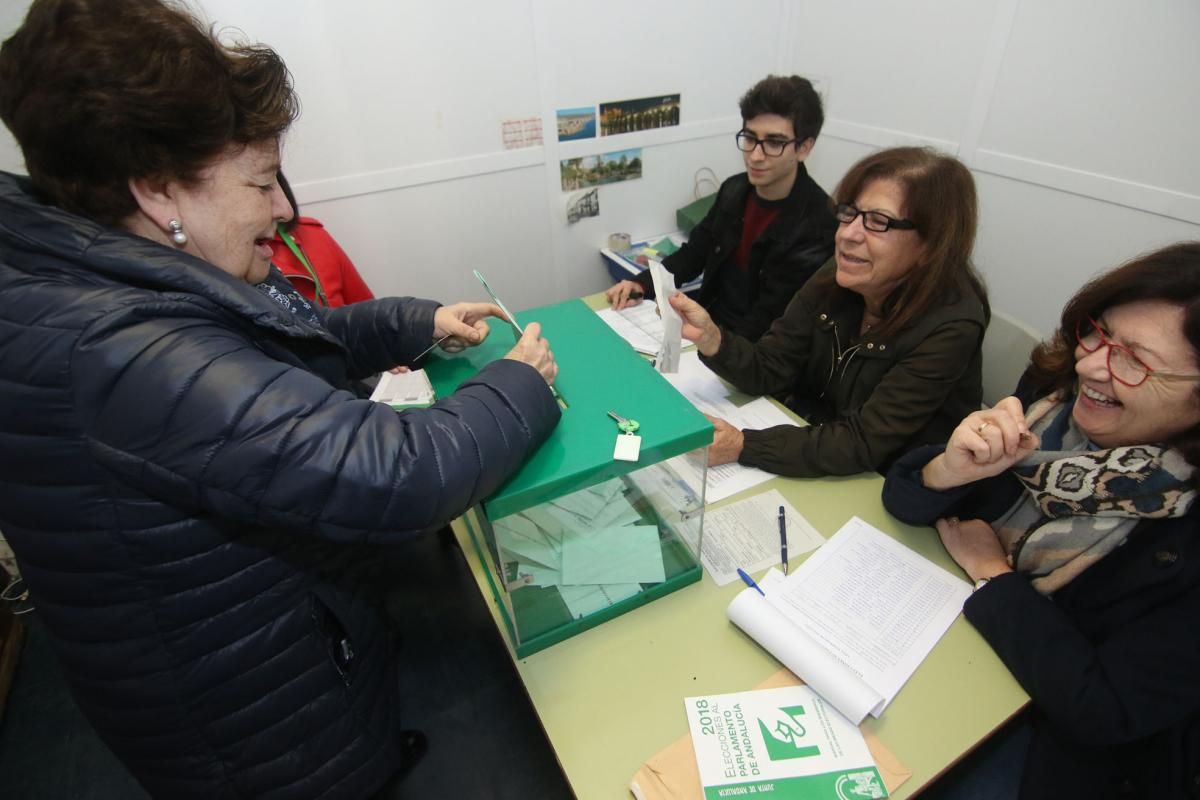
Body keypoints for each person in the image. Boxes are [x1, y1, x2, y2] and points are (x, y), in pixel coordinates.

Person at [0, 1, 560, 798]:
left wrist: (412, 322)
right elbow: (399, 474)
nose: (285, 210)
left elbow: (280, 342)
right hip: (259, 729)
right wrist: (522, 383)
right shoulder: (121, 351)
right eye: (261, 183)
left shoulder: (94, 267)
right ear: (160, 192)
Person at [881, 242, 1200, 800]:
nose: (1091, 365)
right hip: (941, 640)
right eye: (1099, 334)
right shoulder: (1051, 402)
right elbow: (906, 505)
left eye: (1135, 359)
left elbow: (1105, 709)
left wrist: (992, 573)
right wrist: (946, 469)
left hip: (1046, 740)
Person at [671, 146, 989, 477]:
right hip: (815, 444)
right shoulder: (839, 274)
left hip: (886, 482)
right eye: (849, 213)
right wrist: (713, 339)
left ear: (932, 245)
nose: (848, 234)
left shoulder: (952, 324)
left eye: (878, 222)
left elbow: (863, 442)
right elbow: (770, 366)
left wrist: (744, 446)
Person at [606, 74, 837, 342]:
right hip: (712, 333)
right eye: (750, 138)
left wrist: (711, 348)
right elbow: (693, 255)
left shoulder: (819, 224)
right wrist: (643, 283)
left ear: (804, 148)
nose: (756, 155)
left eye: (774, 143)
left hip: (753, 353)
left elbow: (772, 320)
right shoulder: (734, 190)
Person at [272, 171, 377, 307]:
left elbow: (368, 310)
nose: (286, 211)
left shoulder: (312, 235)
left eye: (270, 184)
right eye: (262, 187)